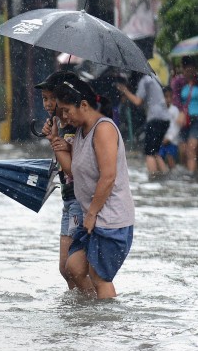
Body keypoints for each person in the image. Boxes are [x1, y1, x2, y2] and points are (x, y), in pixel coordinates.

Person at [51, 76, 135, 299]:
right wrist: (55, 142)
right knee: (74, 268)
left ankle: (106, 329)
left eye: (67, 110)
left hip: (110, 220)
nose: (64, 116)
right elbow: (72, 173)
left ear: (84, 105)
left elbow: (108, 177)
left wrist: (91, 214)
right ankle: (90, 319)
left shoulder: (103, 129)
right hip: (94, 218)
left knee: (100, 278)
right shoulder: (80, 132)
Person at [37, 70, 88, 290]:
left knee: (73, 268)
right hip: (68, 201)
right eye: (44, 99)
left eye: (52, 99)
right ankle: (80, 309)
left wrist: (55, 140)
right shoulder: (62, 127)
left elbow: (72, 170)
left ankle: (93, 302)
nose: (48, 104)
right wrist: (54, 138)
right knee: (65, 269)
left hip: (78, 200)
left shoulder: (74, 129)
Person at [116, 72, 171, 178]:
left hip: (155, 118)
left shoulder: (144, 80)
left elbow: (137, 101)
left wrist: (125, 90)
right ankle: (164, 177)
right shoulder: (153, 77)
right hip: (165, 118)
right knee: (155, 152)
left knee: (149, 153)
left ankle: (153, 179)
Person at [175, 56, 198, 176]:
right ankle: (188, 174)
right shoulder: (179, 82)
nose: (189, 72)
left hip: (197, 119)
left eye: (192, 69)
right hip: (185, 120)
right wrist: (181, 112)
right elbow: (176, 99)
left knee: (191, 148)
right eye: (187, 70)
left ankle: (190, 177)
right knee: (183, 150)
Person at [159, 85, 183, 171]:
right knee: (159, 157)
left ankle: (172, 175)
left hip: (172, 141)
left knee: (170, 158)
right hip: (162, 140)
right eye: (166, 97)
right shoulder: (160, 110)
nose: (168, 99)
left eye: (170, 97)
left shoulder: (175, 110)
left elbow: (176, 127)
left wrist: (169, 138)